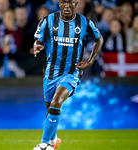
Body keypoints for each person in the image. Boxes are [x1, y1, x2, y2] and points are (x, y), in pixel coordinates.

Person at [33, 0, 103, 149]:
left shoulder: (84, 22)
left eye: (70, 2)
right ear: (59, 3)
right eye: (63, 2)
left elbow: (99, 39)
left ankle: (44, 145)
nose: (66, 5)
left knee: (56, 101)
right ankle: (53, 140)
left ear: (75, 3)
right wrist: (37, 45)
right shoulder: (47, 20)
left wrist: (90, 61)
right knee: (51, 111)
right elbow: (38, 40)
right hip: (51, 73)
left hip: (72, 72)